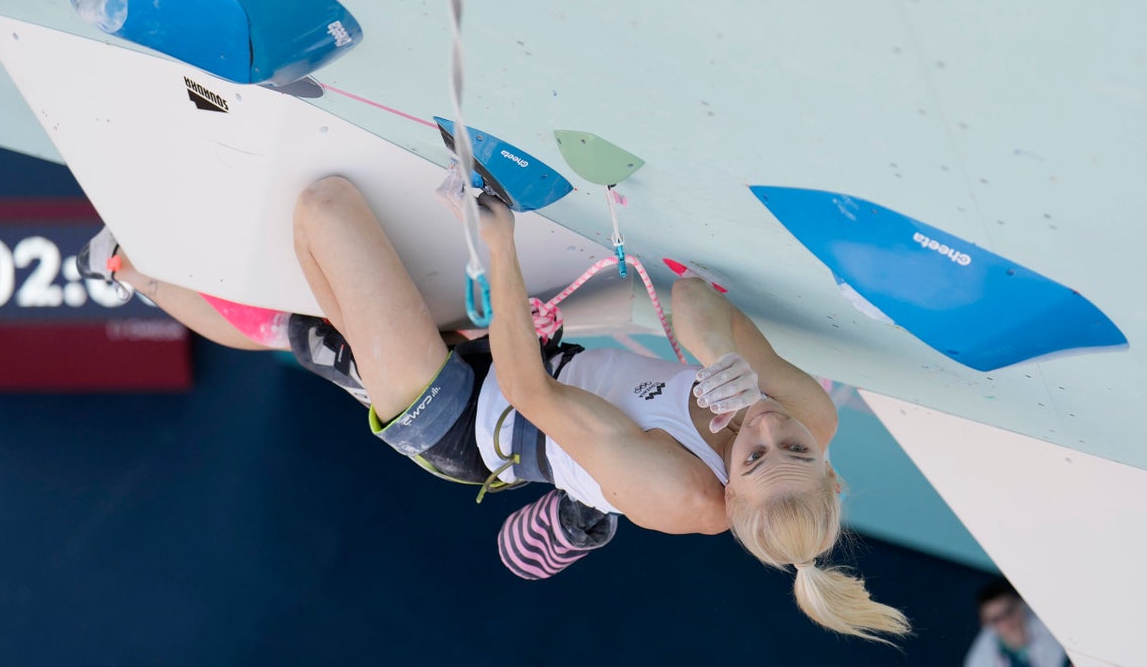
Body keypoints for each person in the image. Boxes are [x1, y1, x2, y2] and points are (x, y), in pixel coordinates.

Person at [78, 174, 910, 642]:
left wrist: (499, 244)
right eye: (791, 447)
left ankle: (134, 272)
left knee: (321, 229)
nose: (765, 433)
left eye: (754, 460)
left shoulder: (682, 493)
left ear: (729, 498)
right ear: (830, 468)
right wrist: (723, 363)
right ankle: (251, 309)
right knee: (319, 320)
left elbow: (529, 392)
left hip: (469, 421)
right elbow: (693, 299)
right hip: (549, 364)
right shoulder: (803, 409)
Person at [964, 578, 1069, 667]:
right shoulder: (980, 659)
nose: (1006, 622)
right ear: (985, 624)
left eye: (1009, 611)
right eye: (996, 619)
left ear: (1020, 604)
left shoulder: (1051, 624)